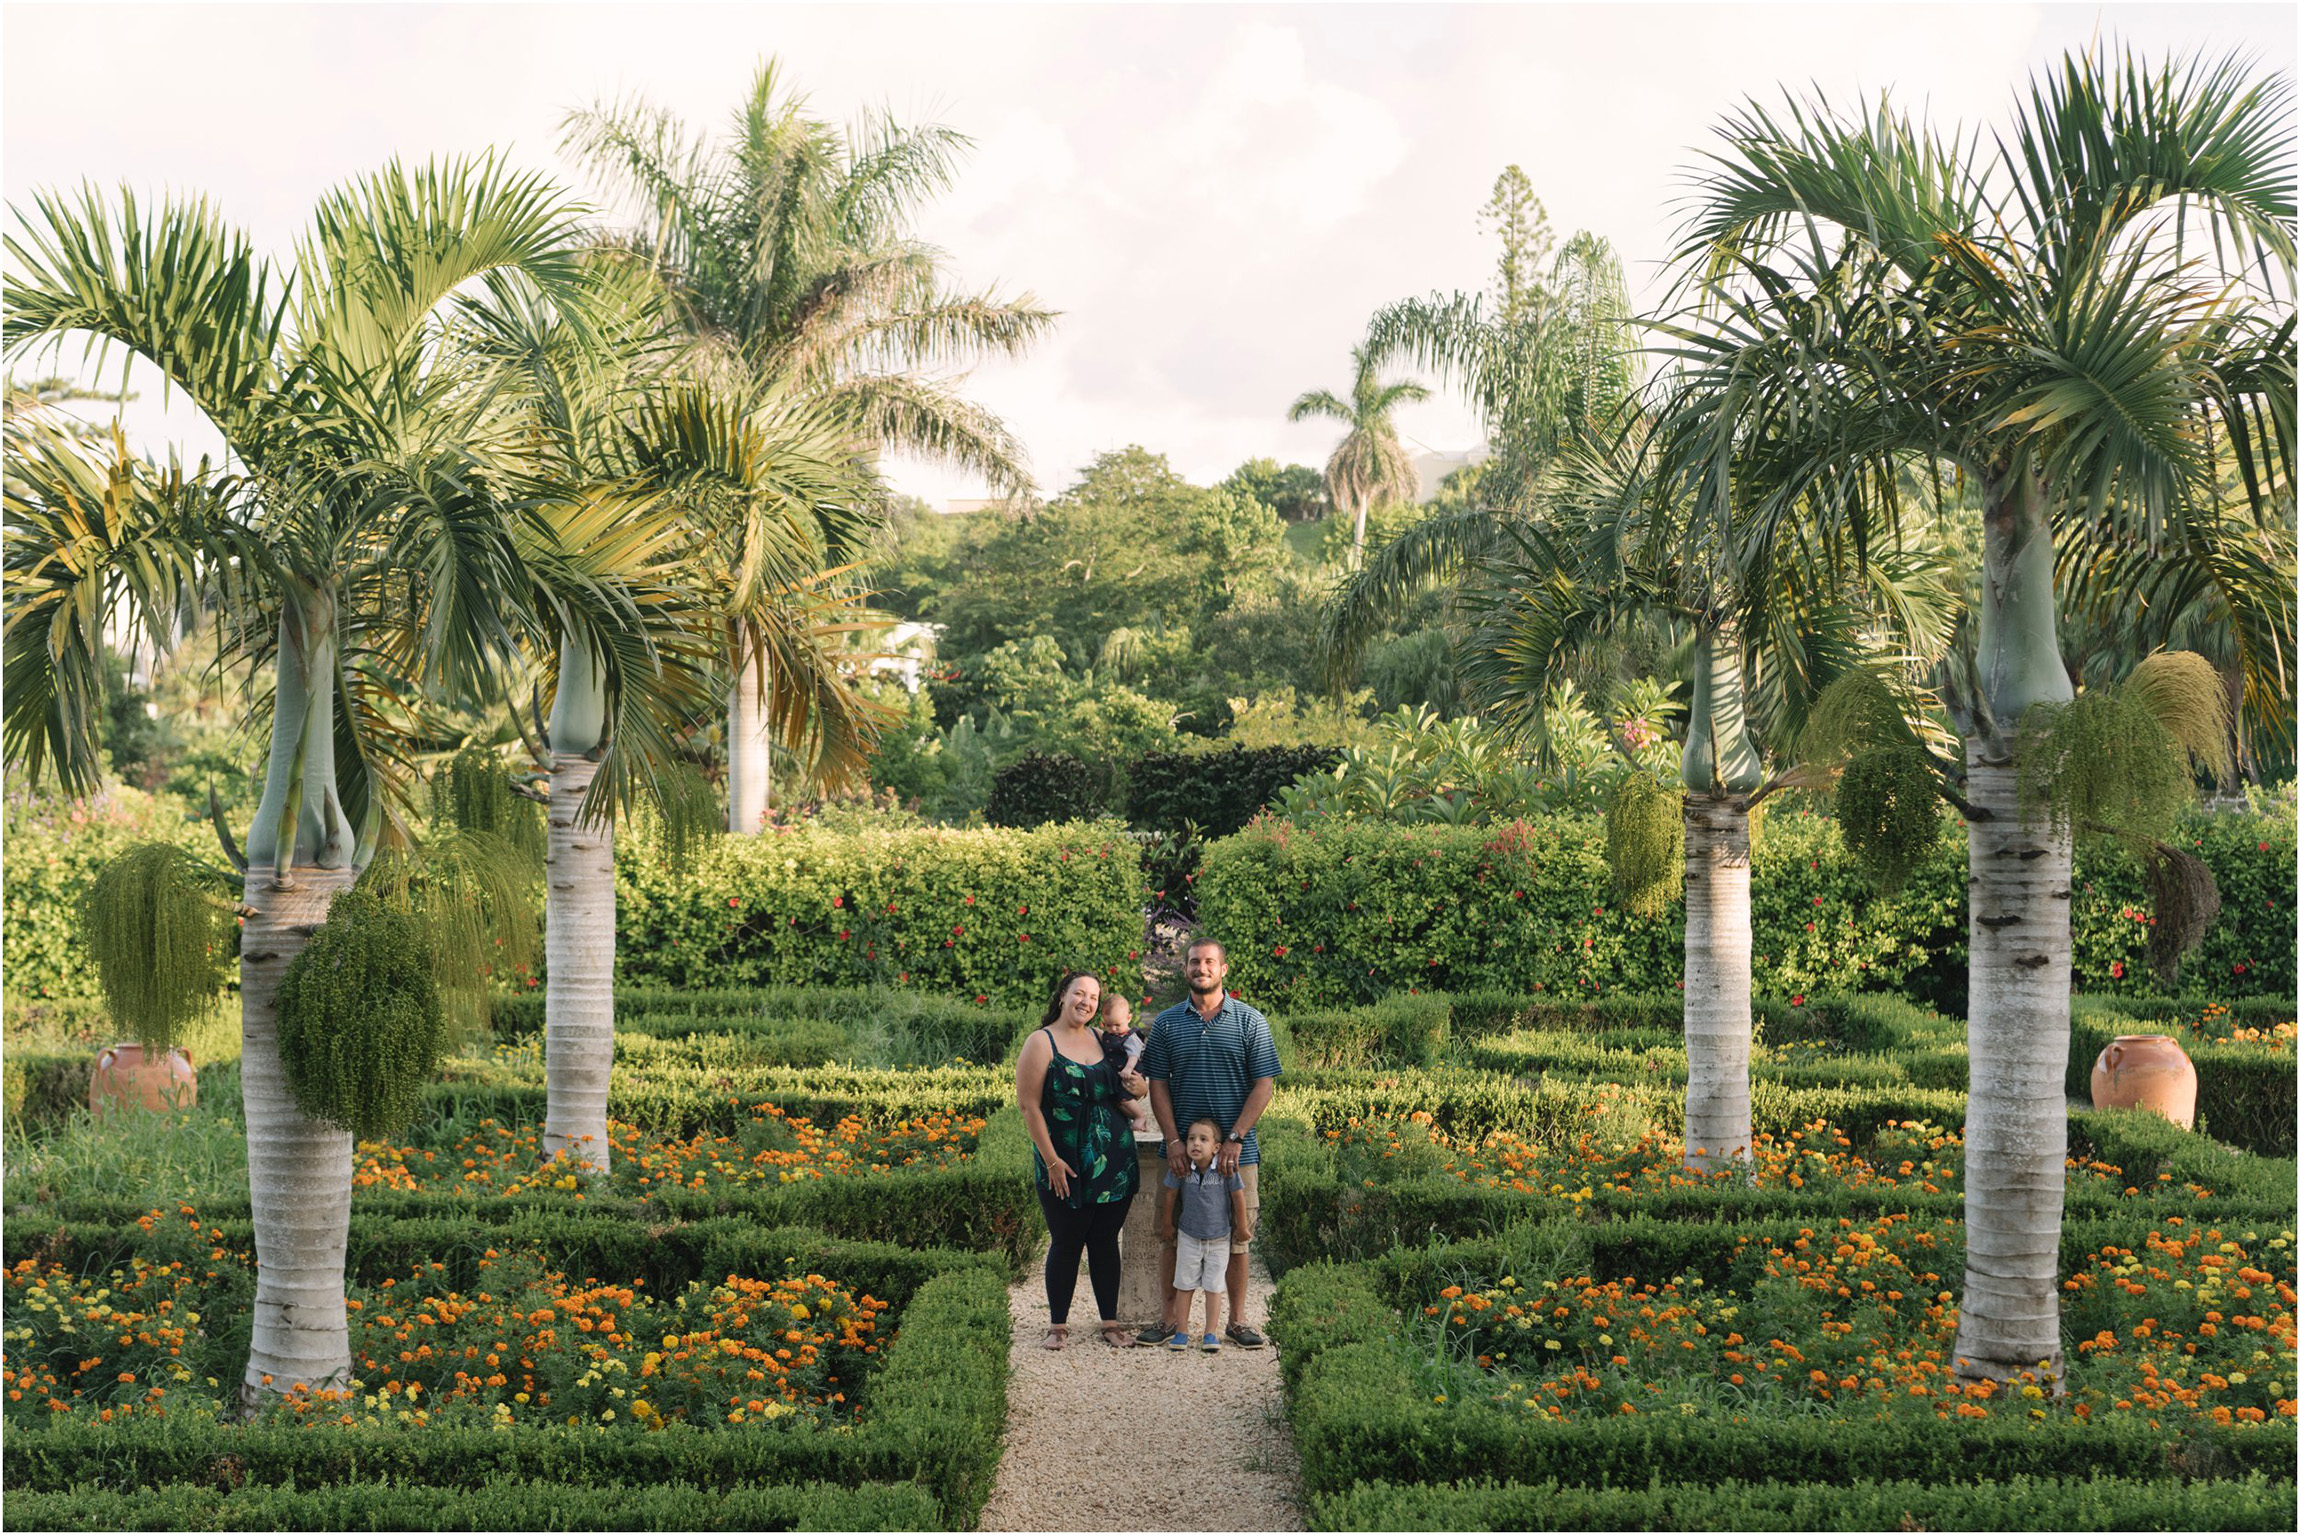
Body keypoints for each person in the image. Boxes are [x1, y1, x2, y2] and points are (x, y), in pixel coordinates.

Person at [1138, 937, 1279, 1348]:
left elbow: (1264, 1085)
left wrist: (1235, 1138)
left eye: (1209, 961)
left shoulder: (1251, 1021)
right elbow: (1157, 1085)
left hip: (1239, 1154)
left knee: (1237, 1237)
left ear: (1223, 969)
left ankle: (1236, 1321)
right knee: (1170, 1234)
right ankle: (1168, 1321)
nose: (1202, 967)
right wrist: (1174, 1140)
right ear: (1186, 969)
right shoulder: (1166, 1023)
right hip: (1180, 1153)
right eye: (1195, 961)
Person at [1015, 970, 1149, 1350]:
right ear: (1062, 995)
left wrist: (1142, 1088)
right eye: (1079, 993)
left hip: (1114, 1162)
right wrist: (1052, 1161)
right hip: (1065, 1161)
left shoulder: (1100, 1038)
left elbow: (1120, 1089)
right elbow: (1029, 1106)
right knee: (1067, 1241)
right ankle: (1057, 1325)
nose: (1086, 1002)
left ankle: (1110, 1322)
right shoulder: (1041, 1043)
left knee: (1106, 1241)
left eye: (1093, 997)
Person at [1156, 1116, 1247, 1352]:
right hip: (1189, 1236)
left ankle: (1210, 1333)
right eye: (1191, 1139)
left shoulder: (1226, 1169)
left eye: (1203, 1139)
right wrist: (1167, 1224)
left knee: (1214, 1287)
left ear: (1216, 1147)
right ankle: (1181, 1332)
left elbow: (1238, 1196)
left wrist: (1242, 1226)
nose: (1196, 1144)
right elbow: (1170, 1195)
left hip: (1219, 1237)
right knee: (1184, 1284)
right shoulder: (1182, 1168)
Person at [1098, 994, 1156, 1134]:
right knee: (1119, 1101)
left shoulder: (1131, 1037)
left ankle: (1140, 1116)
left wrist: (1128, 1069)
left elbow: (1133, 1055)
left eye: (1117, 1025)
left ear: (1128, 1018)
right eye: (1108, 1025)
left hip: (1130, 1072)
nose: (1113, 1029)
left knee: (1125, 1098)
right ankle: (1134, 1118)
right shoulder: (1108, 1035)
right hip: (1118, 1073)